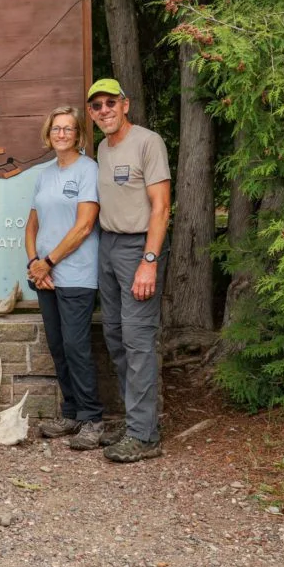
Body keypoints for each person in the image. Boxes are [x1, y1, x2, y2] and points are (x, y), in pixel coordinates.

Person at [87, 78, 171, 463]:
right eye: (96, 105)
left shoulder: (147, 142)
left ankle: (144, 436)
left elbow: (161, 208)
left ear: (125, 105)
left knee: (138, 341)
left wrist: (149, 262)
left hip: (139, 247)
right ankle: (136, 421)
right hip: (109, 245)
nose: (103, 110)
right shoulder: (103, 148)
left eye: (110, 102)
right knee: (116, 336)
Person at [26, 106, 104, 450]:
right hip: (45, 277)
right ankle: (71, 413)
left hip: (75, 274)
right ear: (49, 133)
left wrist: (49, 261)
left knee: (76, 347)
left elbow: (85, 225)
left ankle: (92, 419)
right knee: (58, 347)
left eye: (68, 129)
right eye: (56, 128)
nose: (61, 134)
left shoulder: (89, 170)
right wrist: (34, 263)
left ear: (78, 135)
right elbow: (32, 224)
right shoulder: (43, 175)